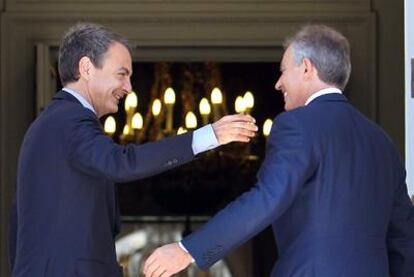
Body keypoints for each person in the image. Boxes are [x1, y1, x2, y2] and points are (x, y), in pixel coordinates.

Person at [143, 25, 414, 277]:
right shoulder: (382, 142)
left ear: (307, 68)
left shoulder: (297, 125)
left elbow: (266, 200)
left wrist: (186, 250)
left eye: (283, 71)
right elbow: (404, 238)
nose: (278, 83)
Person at [8, 22, 258, 277]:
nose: (128, 87)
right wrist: (209, 136)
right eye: (121, 74)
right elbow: (121, 162)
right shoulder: (68, 119)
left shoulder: (55, 122)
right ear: (86, 68)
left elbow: (19, 225)